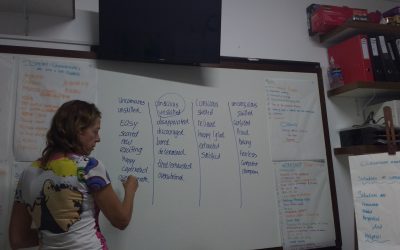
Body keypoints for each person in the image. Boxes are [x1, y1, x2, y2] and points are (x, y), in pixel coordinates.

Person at [9, 100, 139, 250]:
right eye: (95, 131)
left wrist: (54, 235)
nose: (98, 138)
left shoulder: (28, 174)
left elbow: (18, 240)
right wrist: (130, 190)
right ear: (79, 130)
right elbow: (121, 220)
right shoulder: (89, 168)